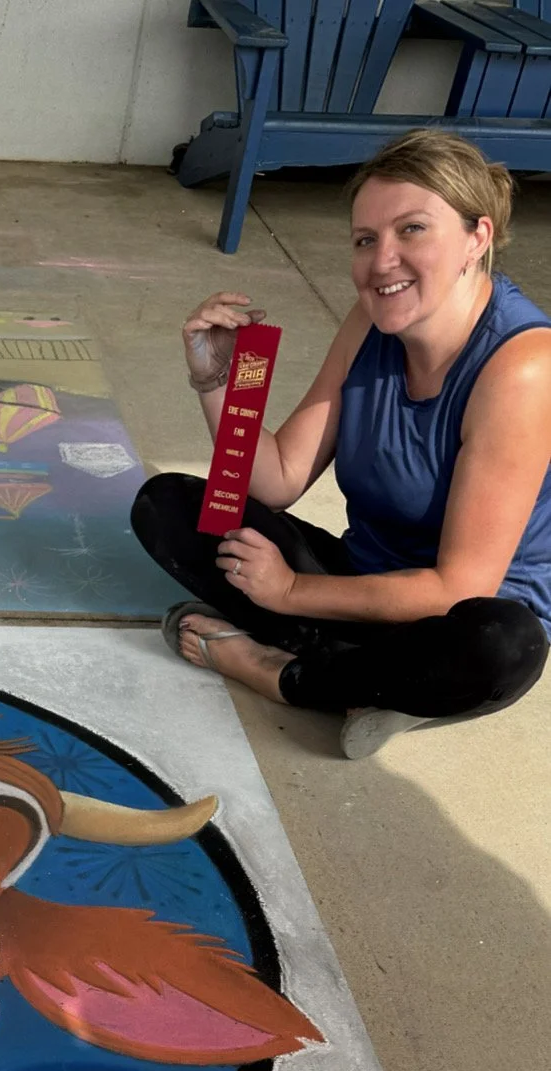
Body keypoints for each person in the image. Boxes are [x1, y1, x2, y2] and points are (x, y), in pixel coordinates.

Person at [131, 129, 551, 758]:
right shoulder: (374, 318)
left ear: (477, 237)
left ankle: (280, 672)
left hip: (462, 616)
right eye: (365, 239)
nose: (382, 262)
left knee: (500, 647)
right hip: (363, 584)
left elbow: (456, 587)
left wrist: (289, 593)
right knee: (167, 505)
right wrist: (218, 381)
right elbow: (277, 480)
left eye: (412, 230)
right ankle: (377, 684)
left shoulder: (524, 367)